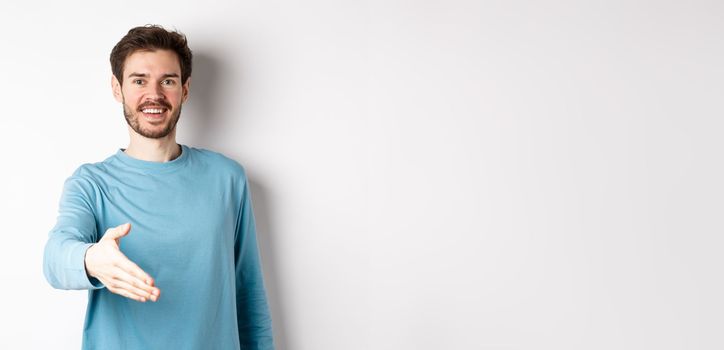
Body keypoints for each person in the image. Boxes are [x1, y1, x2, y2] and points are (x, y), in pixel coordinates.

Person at [42, 25, 275, 350]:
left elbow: (248, 293)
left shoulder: (227, 178)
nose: (154, 94)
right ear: (117, 88)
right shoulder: (91, 183)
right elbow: (55, 258)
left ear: (186, 89)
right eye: (139, 80)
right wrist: (91, 259)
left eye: (168, 80)